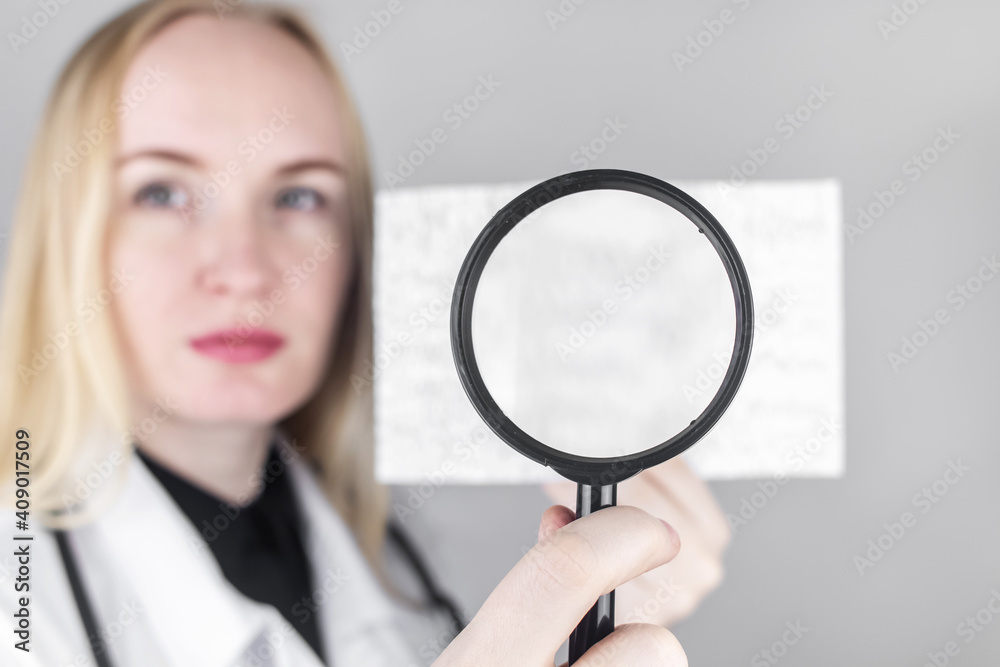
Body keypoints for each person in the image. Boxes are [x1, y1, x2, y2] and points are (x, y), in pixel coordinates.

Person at [0, 1, 730, 664]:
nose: (245, 269)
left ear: (354, 249)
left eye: (298, 195)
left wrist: (588, 615)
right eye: (161, 191)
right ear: (69, 234)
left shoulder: (393, 568)